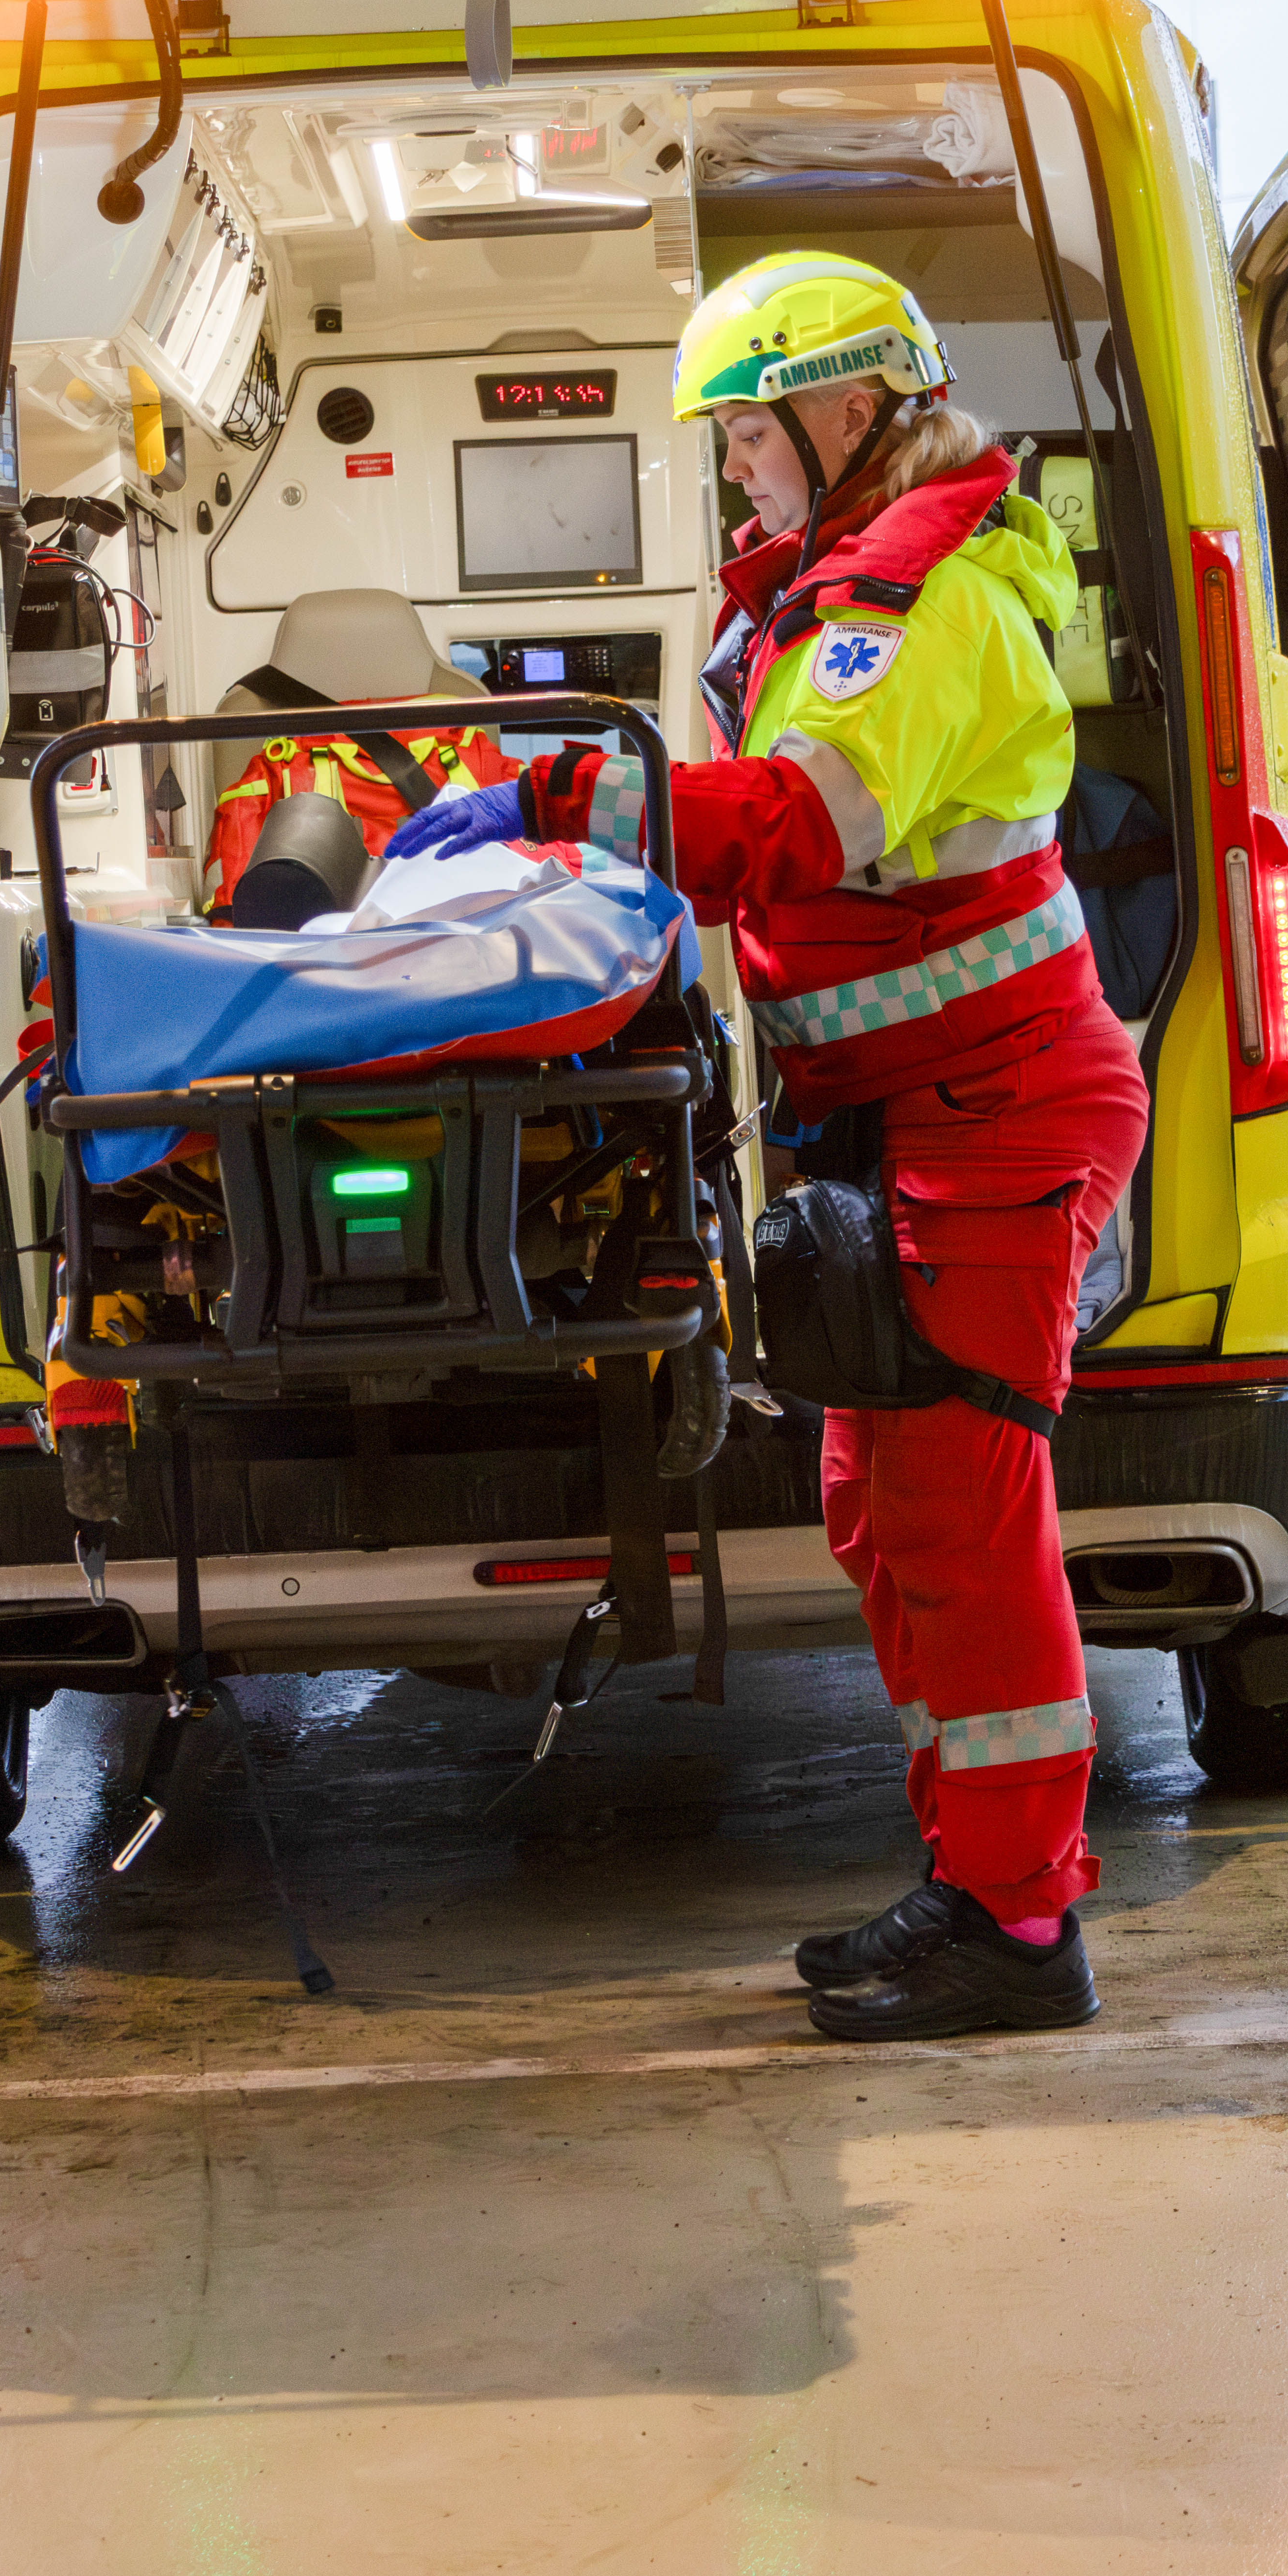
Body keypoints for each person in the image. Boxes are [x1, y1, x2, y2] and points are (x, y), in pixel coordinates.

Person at [389, 251, 1147, 2042]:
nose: (733, 474)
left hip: (1000, 1110)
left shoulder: (923, 610)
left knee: (961, 1518)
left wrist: (553, 791)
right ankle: (968, 1878)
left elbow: (785, 830)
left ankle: (1023, 1930)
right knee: (876, 1509)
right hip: (903, 1123)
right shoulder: (832, 600)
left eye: (745, 438)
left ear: (845, 414)